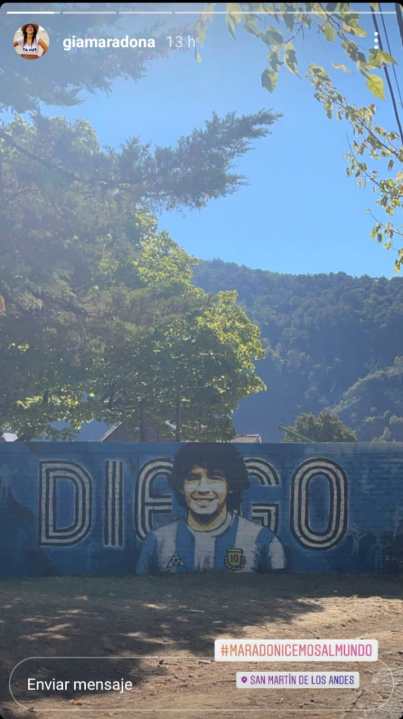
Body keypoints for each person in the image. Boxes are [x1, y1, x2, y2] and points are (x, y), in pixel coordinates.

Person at [136, 443, 286, 574]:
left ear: (231, 485)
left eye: (215, 478)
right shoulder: (158, 540)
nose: (203, 489)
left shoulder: (264, 540)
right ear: (181, 486)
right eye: (193, 478)